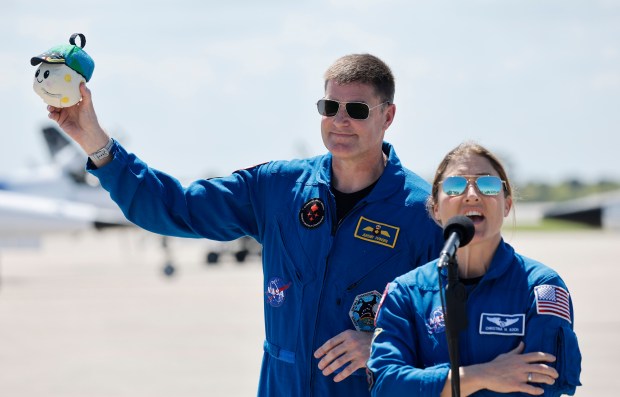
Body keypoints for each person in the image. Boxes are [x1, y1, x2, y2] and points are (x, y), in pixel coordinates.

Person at [47, 53, 444, 396]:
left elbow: (461, 325)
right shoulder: (277, 189)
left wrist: (382, 345)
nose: (339, 121)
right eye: (329, 107)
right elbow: (174, 207)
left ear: (388, 116)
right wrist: (94, 140)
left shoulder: (423, 212)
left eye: (356, 110)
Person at [367, 141, 582, 396]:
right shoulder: (406, 292)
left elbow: (542, 385)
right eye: (456, 185)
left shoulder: (541, 287)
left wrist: (429, 384)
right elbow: (387, 385)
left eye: (488, 185)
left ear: (507, 205)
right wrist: (485, 375)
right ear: (436, 208)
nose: (472, 194)